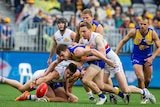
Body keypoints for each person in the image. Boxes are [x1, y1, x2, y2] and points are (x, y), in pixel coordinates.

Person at [78, 21, 156, 104]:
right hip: (103, 63)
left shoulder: (97, 37)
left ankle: (144, 92)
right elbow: (80, 55)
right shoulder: (82, 41)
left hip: (113, 62)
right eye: (81, 32)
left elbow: (102, 55)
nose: (82, 34)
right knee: (100, 87)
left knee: (125, 89)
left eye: (84, 31)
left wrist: (86, 59)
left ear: (90, 30)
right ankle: (115, 92)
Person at [56, 44, 131, 105]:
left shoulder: (76, 52)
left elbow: (93, 51)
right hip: (94, 62)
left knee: (85, 80)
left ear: (66, 50)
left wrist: (107, 61)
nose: (62, 58)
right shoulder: (71, 53)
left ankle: (102, 97)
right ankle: (122, 95)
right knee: (101, 86)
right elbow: (81, 60)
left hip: (97, 61)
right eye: (61, 56)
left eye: (62, 55)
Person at [115, 17, 160, 104]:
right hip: (137, 57)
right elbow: (123, 41)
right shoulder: (134, 32)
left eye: (144, 24)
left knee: (148, 80)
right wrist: (115, 53)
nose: (142, 26)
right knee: (140, 77)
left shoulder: (152, 33)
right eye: (141, 24)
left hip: (148, 57)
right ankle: (144, 96)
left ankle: (145, 92)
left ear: (148, 25)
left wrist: (152, 57)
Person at [75, 8, 114, 102]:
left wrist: (86, 54)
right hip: (90, 52)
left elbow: (99, 45)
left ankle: (111, 94)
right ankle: (111, 92)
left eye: (87, 18)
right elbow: (77, 36)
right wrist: (76, 47)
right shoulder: (80, 25)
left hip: (102, 53)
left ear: (92, 17)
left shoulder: (98, 27)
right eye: (83, 18)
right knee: (99, 84)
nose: (85, 20)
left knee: (105, 78)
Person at [0, 60, 79, 102]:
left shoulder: (68, 74)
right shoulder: (56, 74)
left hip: (49, 82)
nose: (69, 76)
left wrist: (68, 93)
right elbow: (45, 79)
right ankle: (29, 97)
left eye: (71, 75)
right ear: (66, 69)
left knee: (22, 88)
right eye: (68, 73)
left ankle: (2, 79)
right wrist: (35, 82)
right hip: (39, 78)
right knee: (52, 98)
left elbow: (66, 82)